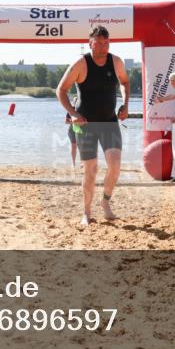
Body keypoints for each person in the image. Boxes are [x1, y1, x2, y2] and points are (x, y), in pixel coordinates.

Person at [56, 26, 130, 227]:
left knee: (114, 166)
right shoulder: (80, 63)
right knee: (91, 170)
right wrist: (73, 113)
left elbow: (124, 82)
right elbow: (61, 90)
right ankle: (86, 213)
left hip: (109, 122)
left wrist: (125, 103)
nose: (103, 46)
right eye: (98, 42)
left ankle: (105, 202)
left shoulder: (115, 62)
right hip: (85, 124)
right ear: (90, 43)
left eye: (106, 42)